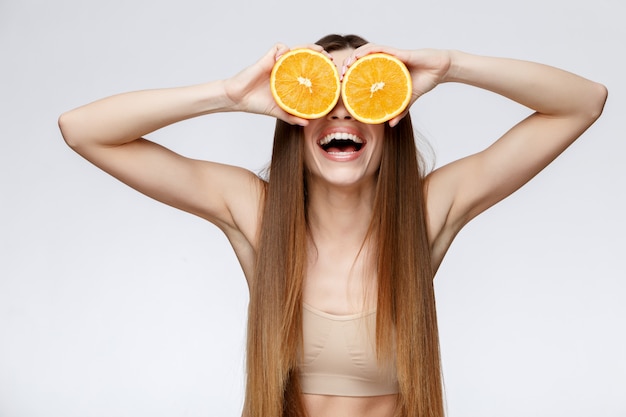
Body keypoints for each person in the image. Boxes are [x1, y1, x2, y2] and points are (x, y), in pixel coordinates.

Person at [58, 34, 607, 417]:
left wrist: (451, 66)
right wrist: (228, 94)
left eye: (361, 94)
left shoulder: (426, 211)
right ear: (294, 120)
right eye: (324, 95)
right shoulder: (255, 211)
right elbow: (84, 130)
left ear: (391, 120)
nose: (342, 112)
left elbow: (582, 104)